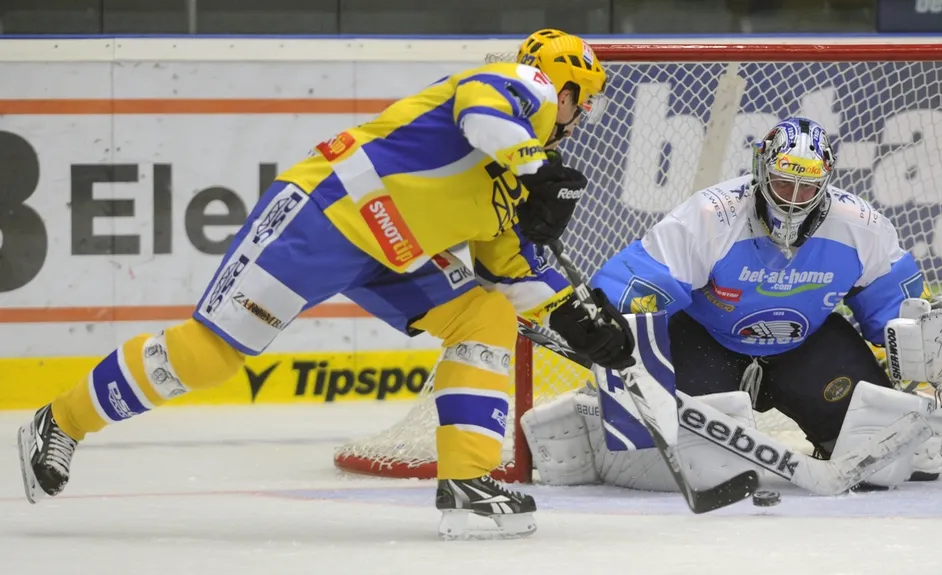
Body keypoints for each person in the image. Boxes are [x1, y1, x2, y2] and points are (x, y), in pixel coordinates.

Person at [17, 28, 635, 539]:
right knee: (213, 354)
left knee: (487, 315)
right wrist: (539, 165)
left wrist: (577, 316)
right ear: (567, 84)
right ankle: (61, 421)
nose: (581, 120)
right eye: (585, 101)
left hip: (395, 255)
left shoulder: (513, 184)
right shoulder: (520, 87)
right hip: (326, 216)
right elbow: (482, 109)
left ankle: (468, 482)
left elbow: (513, 274)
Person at [521, 117, 942, 493]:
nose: (793, 198)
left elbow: (902, 312)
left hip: (807, 347)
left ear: (826, 183)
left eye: (807, 187)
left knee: (885, 459)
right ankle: (588, 419)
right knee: (698, 464)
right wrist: (604, 327)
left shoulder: (861, 226)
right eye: (782, 182)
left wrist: (936, 348)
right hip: (705, 341)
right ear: (762, 168)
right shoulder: (711, 215)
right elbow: (633, 286)